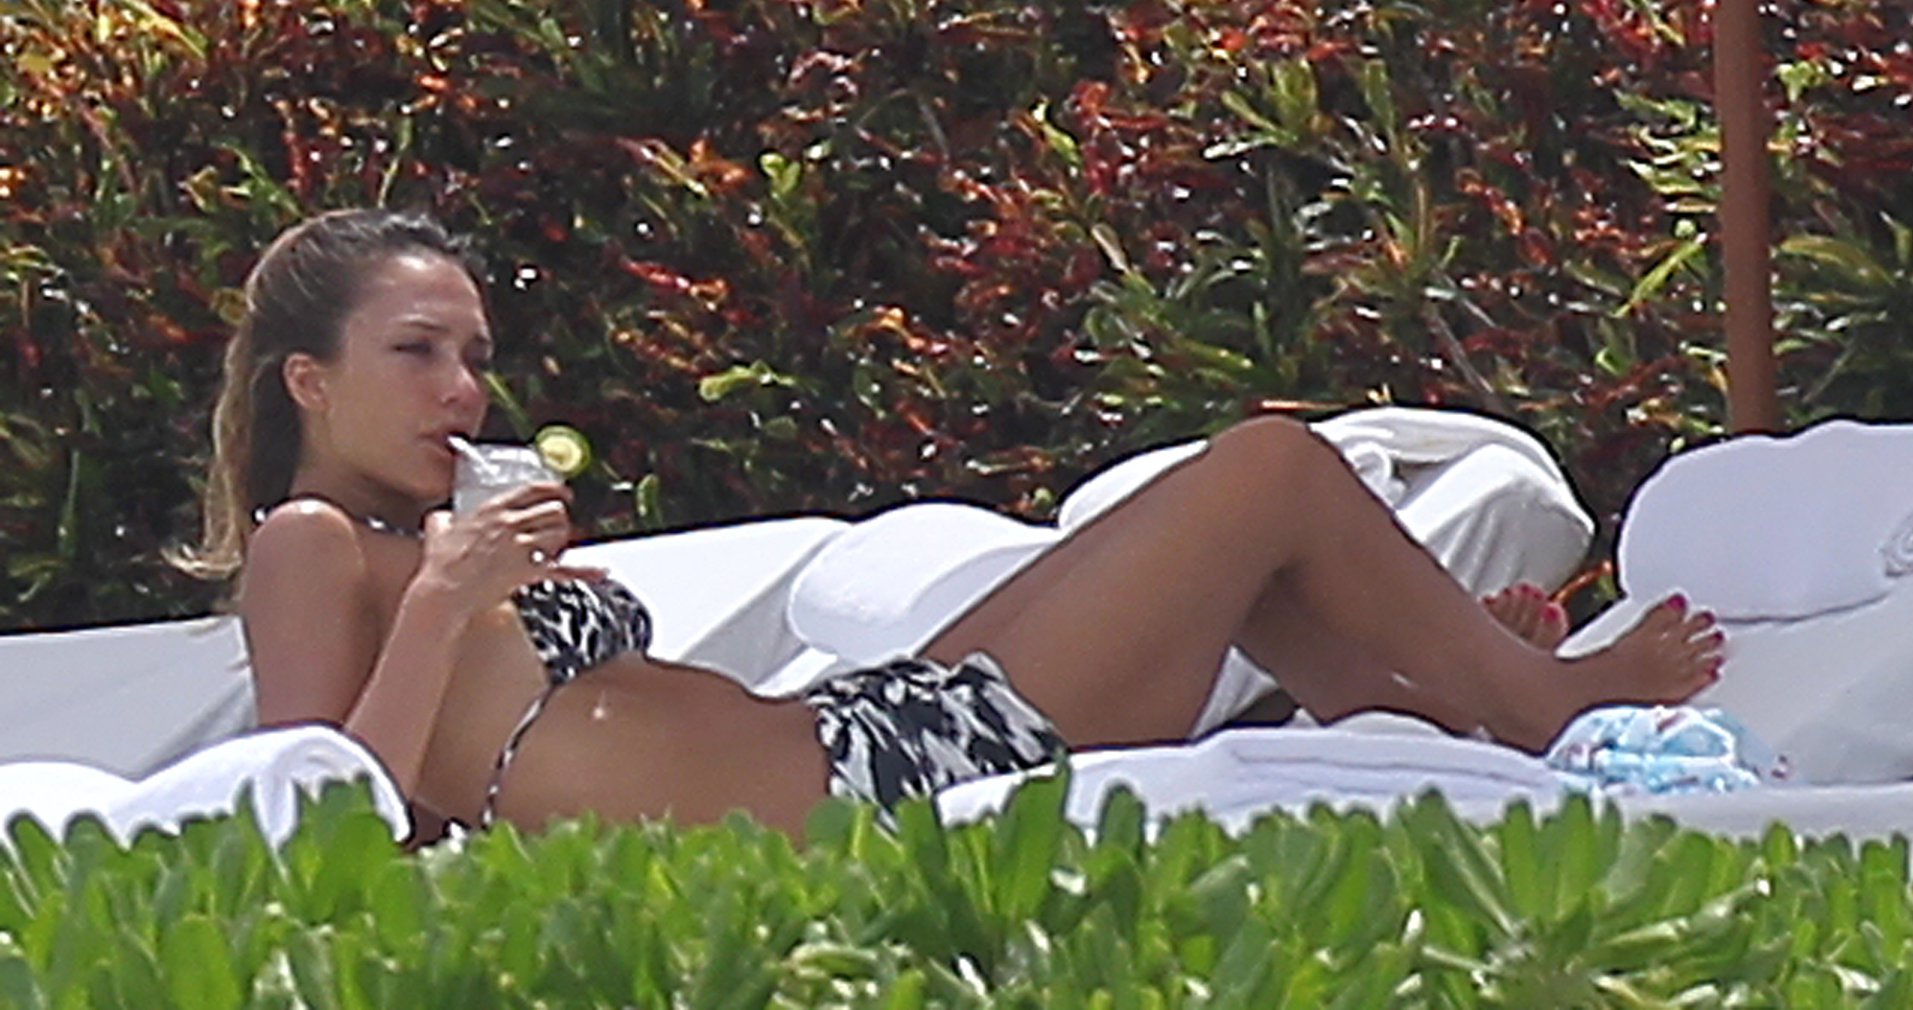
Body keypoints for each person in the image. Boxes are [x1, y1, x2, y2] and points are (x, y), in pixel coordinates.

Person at [171, 209, 1725, 838]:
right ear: (311, 378)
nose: (463, 386)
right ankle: (1533, 701)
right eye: (417, 351)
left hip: (861, 731)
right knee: (1267, 474)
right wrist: (446, 602)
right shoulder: (319, 545)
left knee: (1239, 518)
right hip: (864, 788)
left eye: (476, 352)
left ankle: (1432, 699)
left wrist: (482, 588)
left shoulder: (438, 544)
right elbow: (311, 815)